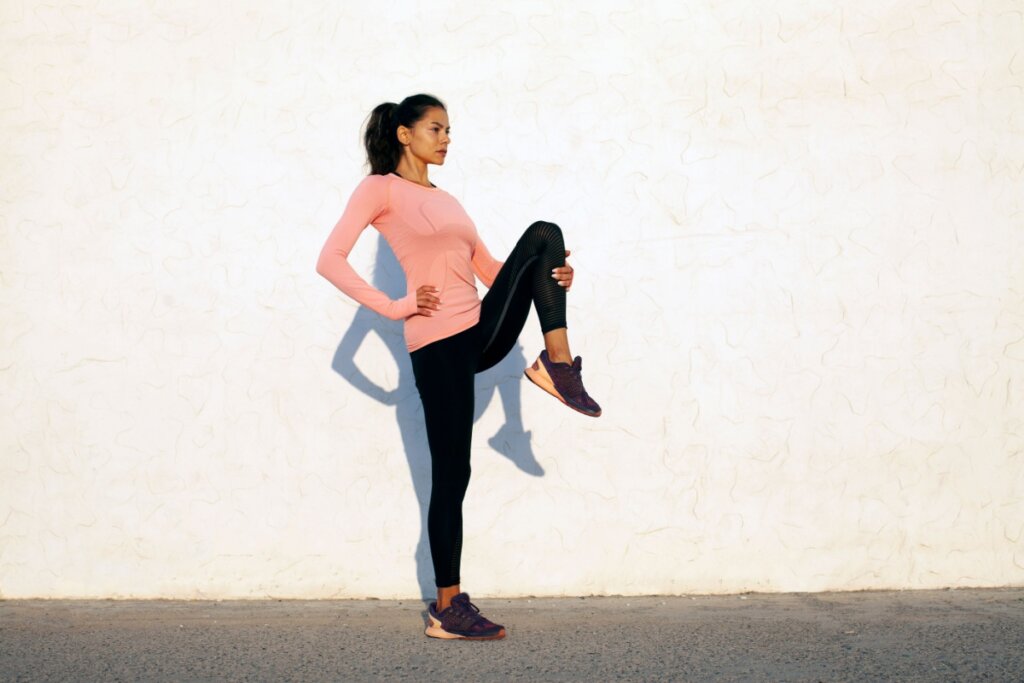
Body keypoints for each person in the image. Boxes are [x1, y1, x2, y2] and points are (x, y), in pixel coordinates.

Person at [316, 93, 601, 641]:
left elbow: (490, 271)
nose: (447, 139)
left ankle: (557, 364)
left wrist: (547, 275)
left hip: (478, 330)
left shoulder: (448, 201)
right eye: (436, 128)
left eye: (449, 130)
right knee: (453, 474)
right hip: (438, 345)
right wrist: (396, 306)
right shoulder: (380, 189)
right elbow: (329, 259)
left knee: (545, 238)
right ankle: (447, 606)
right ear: (404, 134)